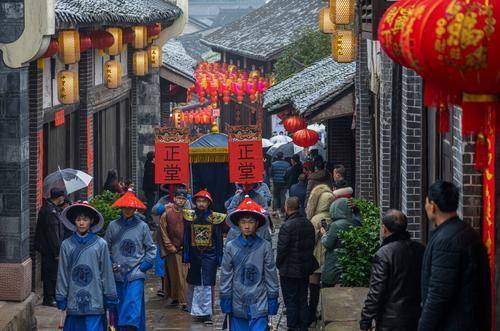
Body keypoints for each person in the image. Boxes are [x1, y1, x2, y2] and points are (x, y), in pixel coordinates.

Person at [418, 181, 491, 331]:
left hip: (454, 323)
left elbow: (438, 294)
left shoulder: (447, 241)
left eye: (426, 203)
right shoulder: (465, 231)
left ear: (432, 206)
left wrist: (424, 327)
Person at [220, 197, 279, 330]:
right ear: (238, 224)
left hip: (259, 300)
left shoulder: (265, 246)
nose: (247, 226)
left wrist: (272, 298)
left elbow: (271, 275)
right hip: (237, 301)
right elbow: (226, 276)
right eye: (243, 222)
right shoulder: (230, 246)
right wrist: (225, 299)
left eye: (251, 222)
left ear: (257, 223)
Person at [56, 203, 118, 330]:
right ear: (74, 221)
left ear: (91, 221)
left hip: (95, 297)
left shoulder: (101, 244)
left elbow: (106, 273)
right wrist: (61, 296)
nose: (81, 223)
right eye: (78, 220)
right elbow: (62, 274)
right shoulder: (66, 245)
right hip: (73, 298)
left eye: (85, 219)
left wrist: (110, 296)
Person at [360, 210, 425, 331]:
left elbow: (376, 291)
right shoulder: (420, 249)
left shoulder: (383, 254)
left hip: (390, 320)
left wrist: (365, 320)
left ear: (384, 229)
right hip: (417, 316)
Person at [105, 190, 156, 331]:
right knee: (119, 304)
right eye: (125, 207)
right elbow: (105, 248)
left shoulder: (143, 227)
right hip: (117, 273)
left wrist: (144, 266)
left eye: (130, 208)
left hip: (136, 272)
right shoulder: (112, 226)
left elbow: (151, 249)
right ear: (121, 208)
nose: (128, 210)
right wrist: (110, 264)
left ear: (135, 209)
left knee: (133, 304)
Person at [183, 189, 225, 324]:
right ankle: (194, 309)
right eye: (199, 201)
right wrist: (186, 256)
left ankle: (206, 313)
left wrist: (219, 257)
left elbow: (219, 239)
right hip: (195, 255)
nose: (201, 204)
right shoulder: (190, 217)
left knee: (207, 284)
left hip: (210, 255)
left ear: (209, 203)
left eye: (204, 201)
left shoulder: (214, 218)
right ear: (195, 202)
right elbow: (187, 238)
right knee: (194, 282)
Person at [277, 197, 316, 331]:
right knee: (303, 297)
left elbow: (282, 250)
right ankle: (303, 325)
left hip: (289, 271)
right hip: (304, 269)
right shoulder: (308, 224)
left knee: (291, 301)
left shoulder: (287, 226)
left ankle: (293, 326)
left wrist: (279, 264)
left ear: (287, 208)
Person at [305, 184, 335, 326]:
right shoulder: (334, 216)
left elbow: (311, 240)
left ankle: (312, 313)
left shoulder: (315, 219)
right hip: (329, 257)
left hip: (316, 255)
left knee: (314, 285)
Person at [34, 188, 66, 307]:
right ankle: (48, 298)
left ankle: (51, 296)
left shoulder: (51, 208)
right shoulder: (50, 211)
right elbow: (53, 234)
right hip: (50, 250)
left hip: (49, 248)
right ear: (59, 198)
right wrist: (57, 252)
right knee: (50, 274)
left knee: (52, 273)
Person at [158, 188, 189, 309]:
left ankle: (184, 300)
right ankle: (175, 297)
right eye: (178, 198)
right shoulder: (166, 213)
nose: (180, 201)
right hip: (172, 249)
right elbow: (163, 231)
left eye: (183, 198)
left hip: (184, 249)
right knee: (172, 276)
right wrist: (169, 247)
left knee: (183, 276)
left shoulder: (188, 214)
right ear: (174, 198)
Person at [321, 198, 361, 287]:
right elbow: (359, 218)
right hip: (349, 260)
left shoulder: (335, 225)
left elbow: (328, 244)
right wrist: (356, 210)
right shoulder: (355, 222)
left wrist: (324, 235)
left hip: (334, 261)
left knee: (328, 287)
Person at [142, 151, 157, 222]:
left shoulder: (147, 164)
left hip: (148, 189)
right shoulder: (151, 166)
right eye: (154, 157)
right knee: (150, 204)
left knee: (150, 203)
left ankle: (148, 218)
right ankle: (148, 219)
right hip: (150, 189)